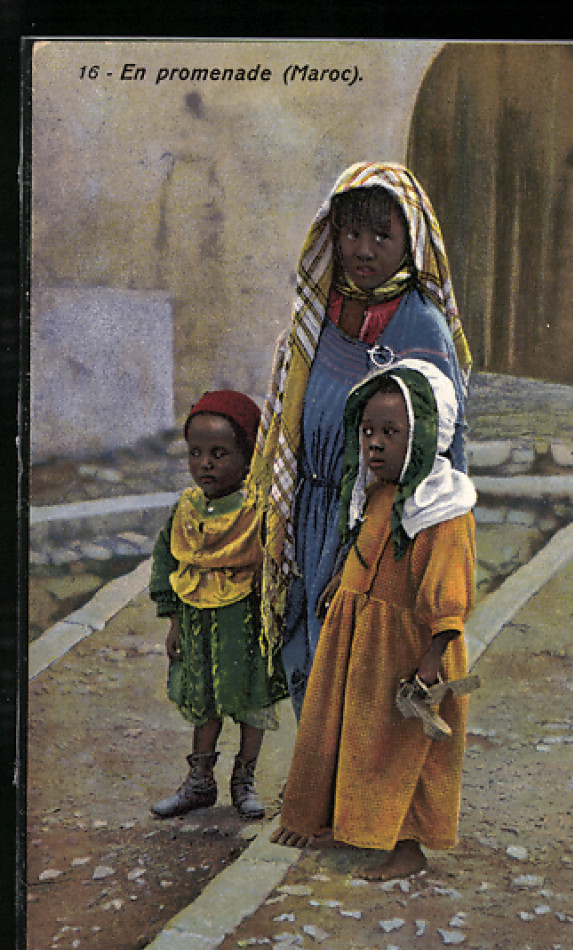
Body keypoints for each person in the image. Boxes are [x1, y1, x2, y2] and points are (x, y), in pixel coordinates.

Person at [244, 161, 473, 716]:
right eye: (350, 233)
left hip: (376, 524)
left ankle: (349, 797)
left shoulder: (421, 327)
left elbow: (446, 454)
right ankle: (318, 791)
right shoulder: (317, 317)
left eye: (381, 235)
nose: (363, 249)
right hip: (308, 511)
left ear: (410, 241)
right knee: (303, 656)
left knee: (356, 672)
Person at [270, 359, 477, 881]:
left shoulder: (444, 511)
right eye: (367, 432)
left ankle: (408, 846)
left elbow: (450, 598)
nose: (375, 445)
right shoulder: (381, 493)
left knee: (404, 747)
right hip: (361, 641)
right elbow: (366, 544)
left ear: (427, 434)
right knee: (356, 734)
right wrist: (343, 582)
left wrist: (431, 664)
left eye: (391, 432)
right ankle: (348, 822)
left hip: (410, 650)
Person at [149, 389, 287, 820]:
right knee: (203, 700)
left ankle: (244, 780)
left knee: (249, 701)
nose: (204, 464)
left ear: (248, 457)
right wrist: (173, 621)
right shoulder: (185, 511)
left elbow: (277, 568)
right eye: (196, 453)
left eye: (219, 453)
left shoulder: (258, 510)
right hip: (197, 625)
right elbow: (166, 563)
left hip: (243, 627)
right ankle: (199, 781)